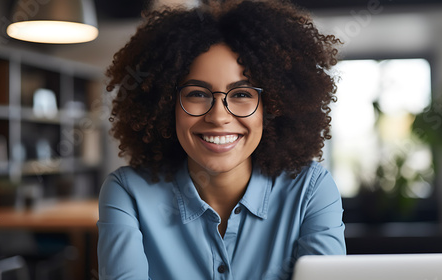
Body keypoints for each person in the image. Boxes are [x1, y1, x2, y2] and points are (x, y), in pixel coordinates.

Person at [97, 0, 345, 279]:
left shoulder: (310, 191)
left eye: (241, 94)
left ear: (273, 108)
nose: (218, 116)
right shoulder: (128, 193)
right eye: (197, 94)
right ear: (166, 106)